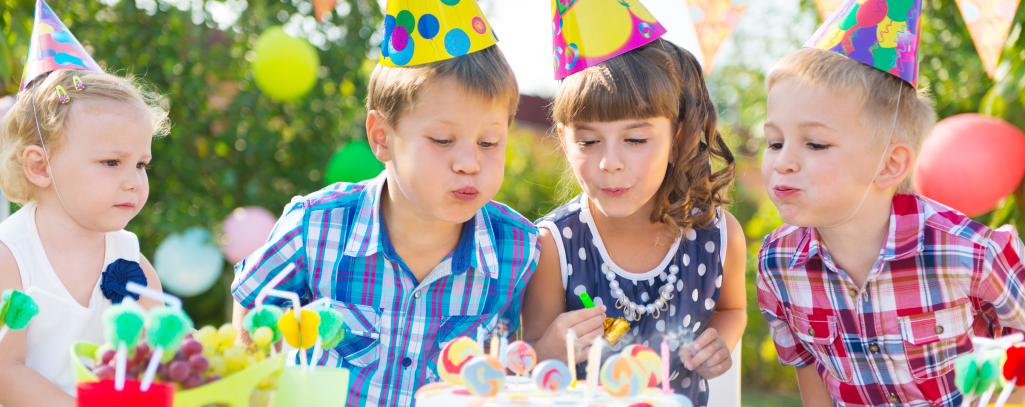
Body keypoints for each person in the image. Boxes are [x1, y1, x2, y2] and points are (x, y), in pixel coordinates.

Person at [230, 2, 538, 406]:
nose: (469, 163)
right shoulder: (316, 227)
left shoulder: (518, 249)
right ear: (381, 138)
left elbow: (519, 371)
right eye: (443, 140)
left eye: (488, 143)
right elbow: (251, 322)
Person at [757, 1, 1025, 405]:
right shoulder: (778, 264)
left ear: (889, 164)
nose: (783, 161)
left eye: (815, 143)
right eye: (774, 142)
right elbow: (808, 363)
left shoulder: (971, 253)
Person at [522, 4, 746, 405]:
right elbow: (531, 363)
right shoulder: (554, 244)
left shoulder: (719, 236)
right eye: (588, 142)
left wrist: (721, 342)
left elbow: (732, 310)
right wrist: (549, 348)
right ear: (563, 139)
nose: (610, 162)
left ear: (677, 140)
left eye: (636, 139)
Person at [0, 44, 169, 407]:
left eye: (141, 164)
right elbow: (5, 371)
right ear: (40, 167)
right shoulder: (10, 257)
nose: (134, 182)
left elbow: (168, 349)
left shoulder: (130, 256)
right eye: (112, 162)